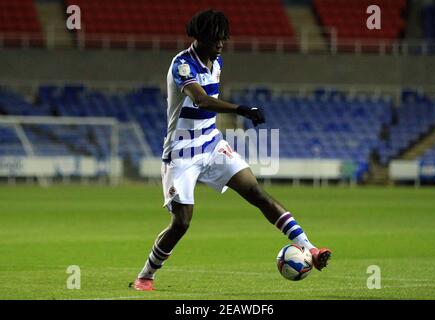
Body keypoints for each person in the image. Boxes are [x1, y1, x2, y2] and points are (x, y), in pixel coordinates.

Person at [132, 9, 331, 291]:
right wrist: (241, 109)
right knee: (182, 222)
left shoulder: (217, 62)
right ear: (201, 38)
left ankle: (309, 248)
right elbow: (200, 100)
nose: (221, 44)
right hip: (182, 153)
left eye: (223, 39)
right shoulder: (183, 65)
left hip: (212, 144)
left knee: (256, 192)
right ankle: (146, 275)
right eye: (216, 39)